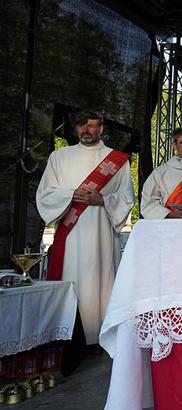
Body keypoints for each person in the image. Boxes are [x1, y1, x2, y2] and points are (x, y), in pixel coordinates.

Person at [36, 110, 135, 345]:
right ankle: (66, 335)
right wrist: (71, 194)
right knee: (71, 278)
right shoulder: (59, 157)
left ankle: (97, 336)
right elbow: (45, 193)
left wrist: (103, 200)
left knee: (99, 282)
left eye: (91, 126)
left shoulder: (117, 159)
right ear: (75, 128)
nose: (86, 130)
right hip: (70, 235)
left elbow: (127, 197)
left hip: (101, 233)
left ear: (101, 128)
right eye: (81, 125)